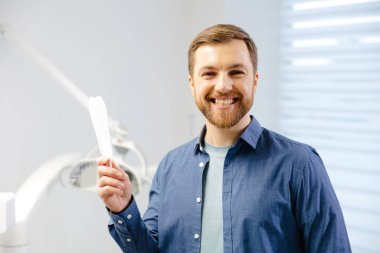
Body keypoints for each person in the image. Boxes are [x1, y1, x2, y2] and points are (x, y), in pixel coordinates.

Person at [97, 24, 351, 253]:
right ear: (192, 84)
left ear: (255, 81)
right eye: (209, 74)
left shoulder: (300, 164)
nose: (223, 86)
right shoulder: (169, 167)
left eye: (236, 72)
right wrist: (123, 208)